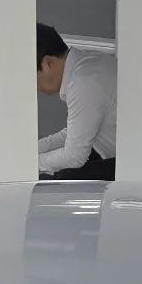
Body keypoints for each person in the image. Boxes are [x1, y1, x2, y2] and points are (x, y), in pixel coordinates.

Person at [37, 23, 117, 180]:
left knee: (59, 179)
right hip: (121, 153)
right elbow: (73, 133)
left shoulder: (84, 82)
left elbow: (74, 156)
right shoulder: (88, 64)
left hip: (133, 165)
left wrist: (30, 164)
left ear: (47, 63)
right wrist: (32, 150)